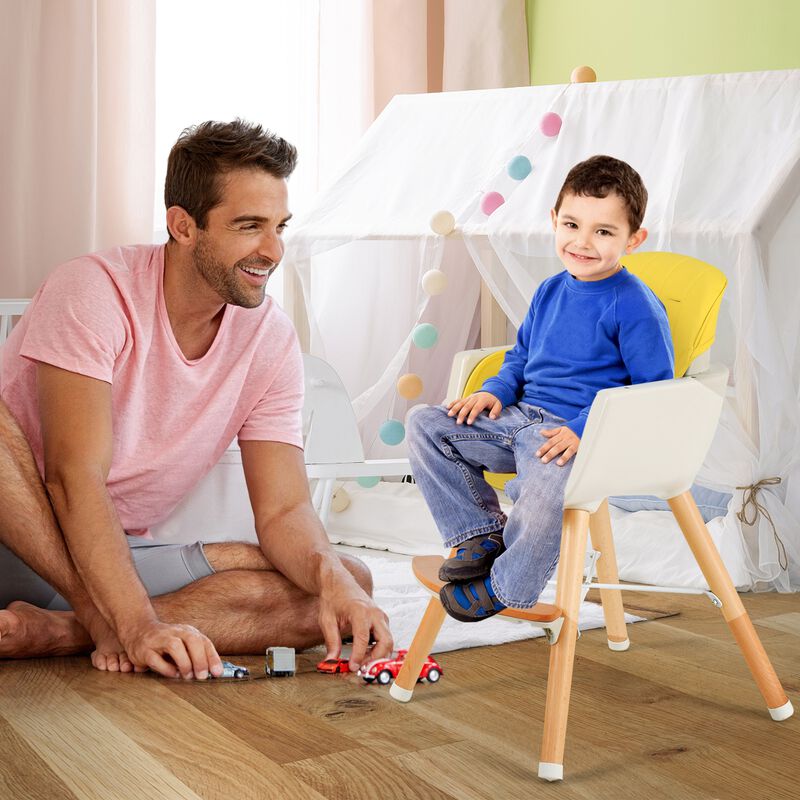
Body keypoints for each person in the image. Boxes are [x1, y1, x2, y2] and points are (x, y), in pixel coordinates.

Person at [0, 119, 392, 678]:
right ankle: (100, 619)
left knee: (347, 584)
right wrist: (127, 622)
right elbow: (72, 478)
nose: (272, 250)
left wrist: (333, 580)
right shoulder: (93, 289)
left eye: (280, 226)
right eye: (249, 226)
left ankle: (58, 632)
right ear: (183, 226)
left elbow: (283, 510)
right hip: (22, 534)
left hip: (116, 554)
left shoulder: (270, 338)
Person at [407, 155, 674, 621]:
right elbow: (521, 359)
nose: (582, 242)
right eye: (571, 224)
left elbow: (652, 391)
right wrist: (495, 391)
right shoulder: (551, 290)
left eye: (603, 232)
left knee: (549, 484)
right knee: (425, 424)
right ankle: (480, 532)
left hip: (575, 438)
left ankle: (510, 583)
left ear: (634, 240)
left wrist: (586, 430)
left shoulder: (633, 305)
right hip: (521, 421)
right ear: (554, 220)